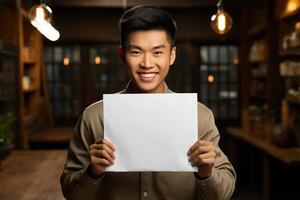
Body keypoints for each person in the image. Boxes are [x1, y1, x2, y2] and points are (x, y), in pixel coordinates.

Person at [60, 5, 236, 200]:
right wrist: (93, 172)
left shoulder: (199, 116)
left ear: (172, 55)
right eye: (136, 52)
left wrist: (206, 173)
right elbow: (70, 193)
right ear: (122, 55)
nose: (146, 63)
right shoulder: (94, 117)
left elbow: (223, 194)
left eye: (157, 52)